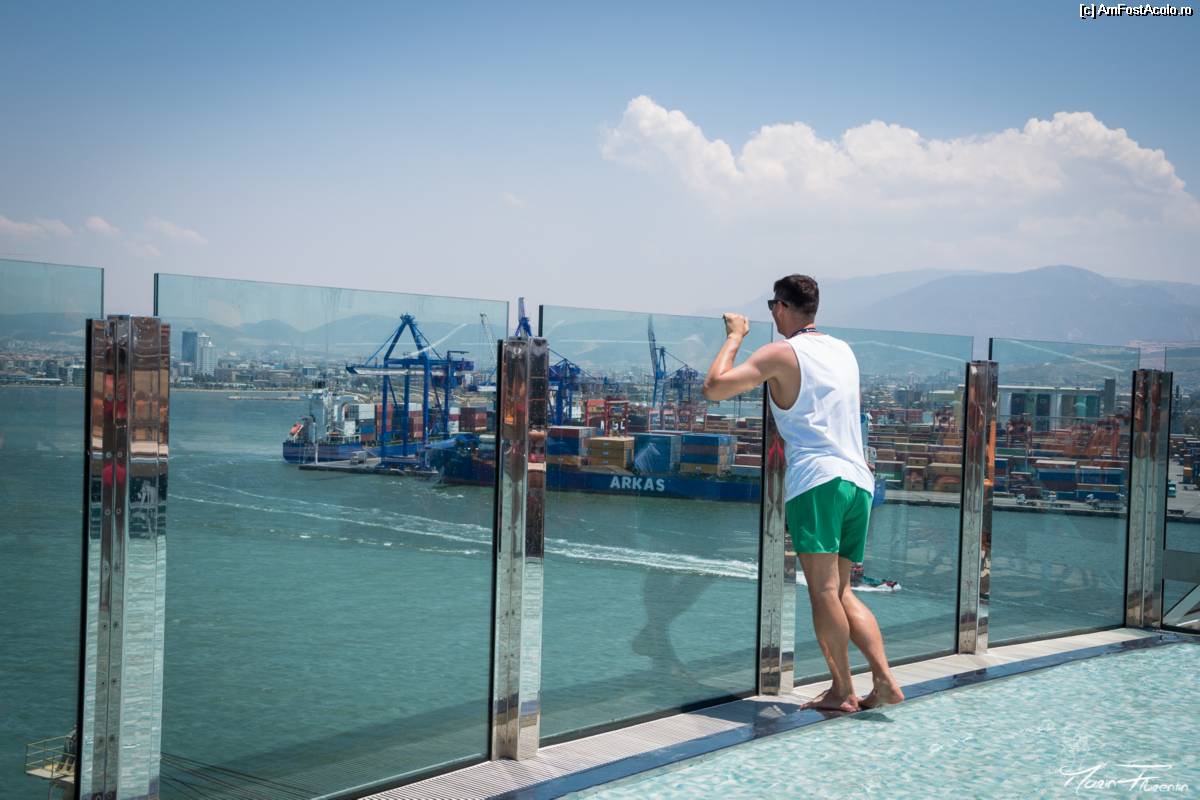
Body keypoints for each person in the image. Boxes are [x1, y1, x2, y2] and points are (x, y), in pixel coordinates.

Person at [701, 274, 904, 712]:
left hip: (817, 481)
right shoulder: (843, 350)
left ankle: (842, 689)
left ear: (781, 307)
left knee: (823, 592)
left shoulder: (780, 352)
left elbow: (714, 387)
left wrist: (735, 336)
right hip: (859, 481)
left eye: (772, 306)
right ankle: (884, 680)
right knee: (844, 591)